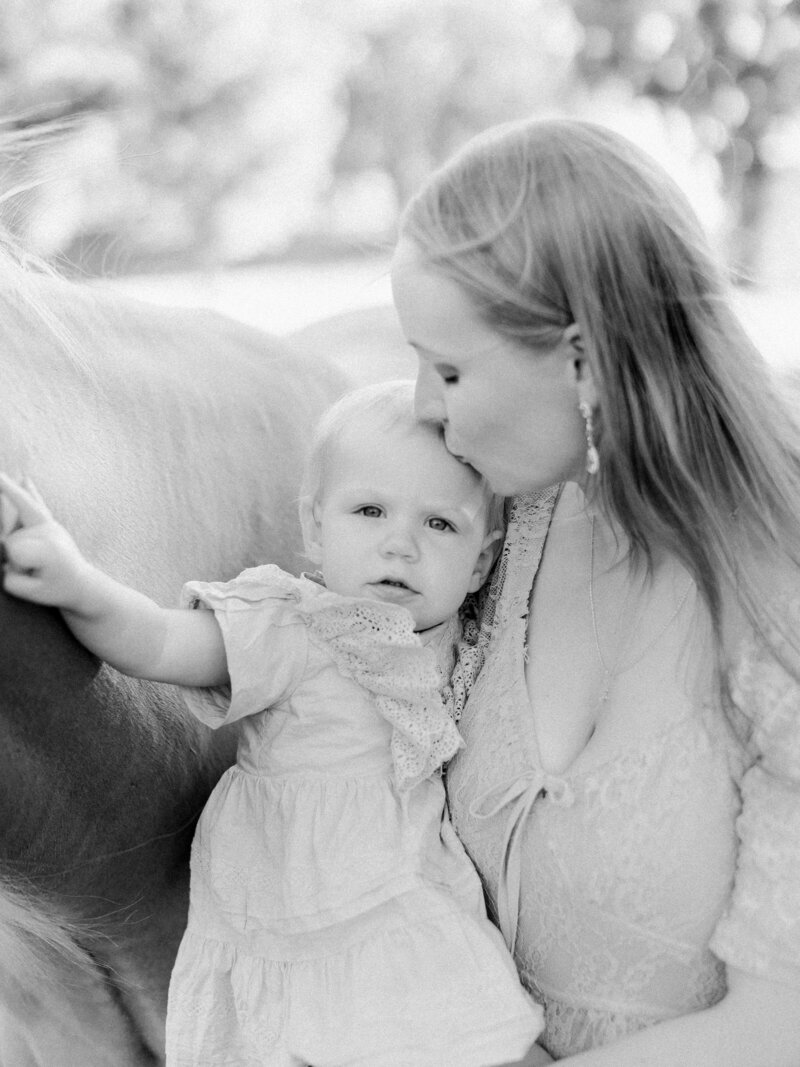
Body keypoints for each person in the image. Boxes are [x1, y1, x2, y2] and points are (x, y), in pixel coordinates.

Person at [390, 117, 800, 1065]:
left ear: (582, 360)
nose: (420, 405)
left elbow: (780, 1030)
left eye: (449, 368)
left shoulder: (777, 596)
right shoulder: (497, 529)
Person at [0, 380, 546, 1067]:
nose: (400, 545)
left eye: (440, 523)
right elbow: (161, 643)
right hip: (292, 907)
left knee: (485, 1040)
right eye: (370, 510)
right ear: (316, 528)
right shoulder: (293, 624)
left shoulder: (460, 637)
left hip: (401, 902)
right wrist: (78, 583)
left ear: (483, 563)